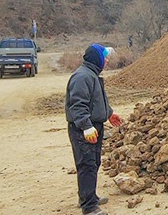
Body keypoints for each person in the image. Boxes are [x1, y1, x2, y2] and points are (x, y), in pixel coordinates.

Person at [65, 44, 123, 215]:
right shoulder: (82, 77)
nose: (106, 60)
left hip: (94, 126)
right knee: (87, 164)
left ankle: (88, 196)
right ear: (96, 58)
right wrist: (86, 126)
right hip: (83, 129)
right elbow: (78, 105)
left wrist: (109, 113)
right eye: (104, 57)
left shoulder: (92, 75)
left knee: (94, 162)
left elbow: (96, 100)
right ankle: (89, 207)